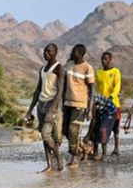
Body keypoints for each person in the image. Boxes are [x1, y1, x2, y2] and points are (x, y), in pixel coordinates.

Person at [24, 43, 65, 173]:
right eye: (44, 51)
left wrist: (51, 110)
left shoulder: (59, 68)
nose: (46, 53)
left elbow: (60, 92)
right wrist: (30, 109)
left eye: (49, 51)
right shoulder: (42, 69)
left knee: (45, 134)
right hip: (41, 104)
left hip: (52, 104)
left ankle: (58, 157)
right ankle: (49, 165)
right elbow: (38, 90)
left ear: (55, 52)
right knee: (44, 138)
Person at [61, 44, 96, 167]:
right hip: (67, 103)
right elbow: (63, 84)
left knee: (73, 130)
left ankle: (74, 157)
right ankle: (83, 148)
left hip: (80, 104)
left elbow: (92, 90)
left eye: (74, 52)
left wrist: (90, 109)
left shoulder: (88, 68)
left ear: (81, 54)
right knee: (64, 129)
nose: (72, 53)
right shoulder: (69, 65)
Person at [95, 51, 123, 156]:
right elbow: (98, 89)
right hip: (102, 105)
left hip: (114, 104)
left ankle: (116, 147)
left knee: (115, 127)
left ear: (110, 59)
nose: (103, 61)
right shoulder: (98, 73)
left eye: (106, 59)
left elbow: (117, 86)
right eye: (102, 59)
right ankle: (103, 151)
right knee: (102, 128)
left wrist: (111, 96)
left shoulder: (116, 72)